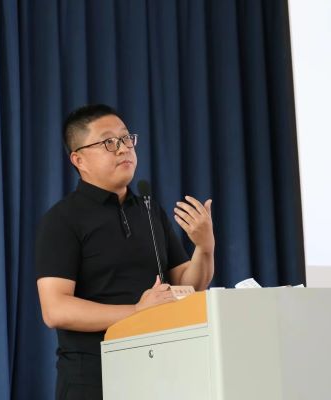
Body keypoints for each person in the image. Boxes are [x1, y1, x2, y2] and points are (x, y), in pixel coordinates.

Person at [35, 104, 215, 400]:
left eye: (126, 138)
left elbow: (188, 286)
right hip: (93, 377)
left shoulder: (149, 210)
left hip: (159, 370)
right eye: (108, 142)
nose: (123, 148)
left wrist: (204, 247)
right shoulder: (62, 219)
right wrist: (136, 312)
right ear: (79, 159)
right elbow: (56, 309)